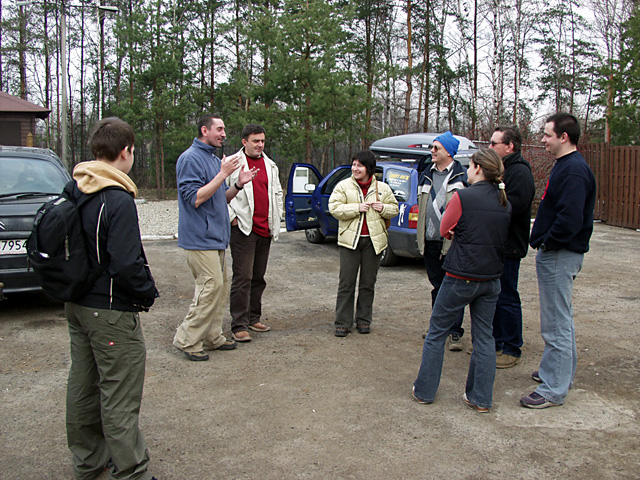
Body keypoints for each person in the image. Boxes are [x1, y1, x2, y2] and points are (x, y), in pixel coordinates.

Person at [65, 117, 159, 480]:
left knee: (83, 384)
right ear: (126, 152)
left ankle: (88, 461)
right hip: (109, 310)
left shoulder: (74, 187)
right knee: (119, 392)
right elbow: (125, 263)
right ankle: (133, 471)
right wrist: (147, 292)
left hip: (75, 304)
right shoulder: (116, 198)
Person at [412, 148, 512, 412]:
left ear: (478, 168)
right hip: (491, 279)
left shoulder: (463, 197)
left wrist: (457, 231)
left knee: (436, 333)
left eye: (469, 166)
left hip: (460, 276)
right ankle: (480, 398)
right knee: (484, 337)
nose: (466, 170)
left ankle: (424, 391)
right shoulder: (505, 202)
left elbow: (444, 229)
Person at [521, 113, 596, 409]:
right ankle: (557, 372)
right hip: (558, 253)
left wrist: (548, 241)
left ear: (564, 137)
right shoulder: (566, 166)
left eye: (547, 134)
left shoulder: (573, 170)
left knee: (556, 323)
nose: (542, 139)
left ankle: (554, 389)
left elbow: (570, 218)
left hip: (560, 255)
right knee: (558, 318)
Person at [173, 114, 257, 361]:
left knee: (219, 289)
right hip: (199, 238)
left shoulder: (211, 158)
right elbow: (195, 198)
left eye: (223, 130)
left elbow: (220, 198)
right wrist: (222, 175)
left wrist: (238, 185)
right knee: (209, 287)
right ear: (204, 130)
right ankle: (187, 339)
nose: (223, 134)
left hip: (216, 238)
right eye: (219, 129)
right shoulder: (190, 159)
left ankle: (211, 336)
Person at [328, 150, 399, 337]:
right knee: (346, 283)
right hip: (350, 242)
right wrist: (356, 208)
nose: (355, 168)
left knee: (368, 283)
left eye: (359, 165)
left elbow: (394, 209)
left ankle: (363, 320)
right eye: (353, 164)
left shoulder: (382, 188)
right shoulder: (343, 186)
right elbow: (334, 208)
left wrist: (383, 208)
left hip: (374, 242)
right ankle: (342, 323)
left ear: (369, 168)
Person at [227, 124, 283, 342]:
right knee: (243, 277)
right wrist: (231, 217)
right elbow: (222, 192)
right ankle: (238, 324)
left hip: (264, 229)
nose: (260, 145)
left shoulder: (270, 165)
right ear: (244, 142)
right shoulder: (232, 164)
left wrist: (275, 219)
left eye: (262, 141)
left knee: (258, 276)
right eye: (255, 141)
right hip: (243, 229)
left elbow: (276, 192)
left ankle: (253, 317)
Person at [488, 125, 535, 368]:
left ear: (510, 146)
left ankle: (512, 347)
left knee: (507, 296)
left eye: (494, 143)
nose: (490, 147)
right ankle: (496, 343)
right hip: (495, 245)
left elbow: (513, 207)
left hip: (510, 246)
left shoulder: (519, 173)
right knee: (494, 296)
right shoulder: (501, 170)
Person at [416, 131, 467, 350]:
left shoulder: (462, 176)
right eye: (432, 147)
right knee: (437, 286)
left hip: (452, 243)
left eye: (436, 148)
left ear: (449, 151)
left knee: (453, 287)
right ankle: (438, 328)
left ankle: (455, 331)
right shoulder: (425, 174)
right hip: (430, 241)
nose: (432, 151)